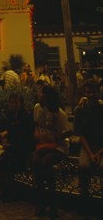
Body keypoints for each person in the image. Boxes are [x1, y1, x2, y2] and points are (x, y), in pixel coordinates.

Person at [32, 85, 72, 218]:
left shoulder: (60, 114)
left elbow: (68, 132)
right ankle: (43, 201)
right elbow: (36, 125)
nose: (38, 94)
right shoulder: (37, 108)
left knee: (46, 162)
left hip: (58, 146)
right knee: (36, 162)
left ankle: (51, 203)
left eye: (41, 92)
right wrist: (38, 135)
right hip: (43, 144)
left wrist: (54, 138)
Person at [0, 92, 34, 202]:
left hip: (21, 149)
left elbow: (26, 138)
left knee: (6, 161)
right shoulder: (10, 115)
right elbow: (11, 130)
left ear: (21, 103)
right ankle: (3, 188)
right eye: (11, 102)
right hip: (11, 146)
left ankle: (11, 190)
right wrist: (6, 138)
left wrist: (12, 145)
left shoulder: (25, 117)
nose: (13, 104)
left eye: (16, 102)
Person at [74, 79, 103, 207]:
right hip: (88, 147)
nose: (91, 95)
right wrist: (91, 153)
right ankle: (85, 199)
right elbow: (81, 134)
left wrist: (99, 152)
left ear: (98, 93)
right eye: (88, 92)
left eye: (94, 92)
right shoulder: (80, 110)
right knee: (83, 166)